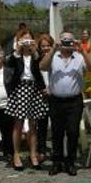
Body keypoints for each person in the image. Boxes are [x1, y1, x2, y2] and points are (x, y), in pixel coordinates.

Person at [40, 30, 91, 176]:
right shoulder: (53, 56)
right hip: (56, 100)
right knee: (57, 132)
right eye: (64, 40)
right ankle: (57, 162)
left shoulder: (79, 57)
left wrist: (82, 50)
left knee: (73, 132)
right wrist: (53, 49)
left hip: (74, 101)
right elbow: (42, 67)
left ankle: (70, 162)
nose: (66, 43)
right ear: (59, 41)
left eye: (69, 40)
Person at [4, 29, 48, 171]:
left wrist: (34, 50)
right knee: (18, 123)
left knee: (33, 123)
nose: (27, 42)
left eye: (29, 40)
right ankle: (16, 155)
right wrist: (18, 50)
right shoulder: (16, 55)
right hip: (20, 88)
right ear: (19, 41)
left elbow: (41, 65)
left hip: (34, 88)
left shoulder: (36, 55)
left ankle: (33, 154)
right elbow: (9, 63)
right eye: (24, 40)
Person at [35, 33, 54, 163]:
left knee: (56, 125)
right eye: (43, 46)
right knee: (41, 125)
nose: (46, 48)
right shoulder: (36, 61)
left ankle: (56, 150)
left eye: (48, 46)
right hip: (41, 95)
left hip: (55, 95)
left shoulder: (57, 59)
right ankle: (41, 150)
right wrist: (42, 89)